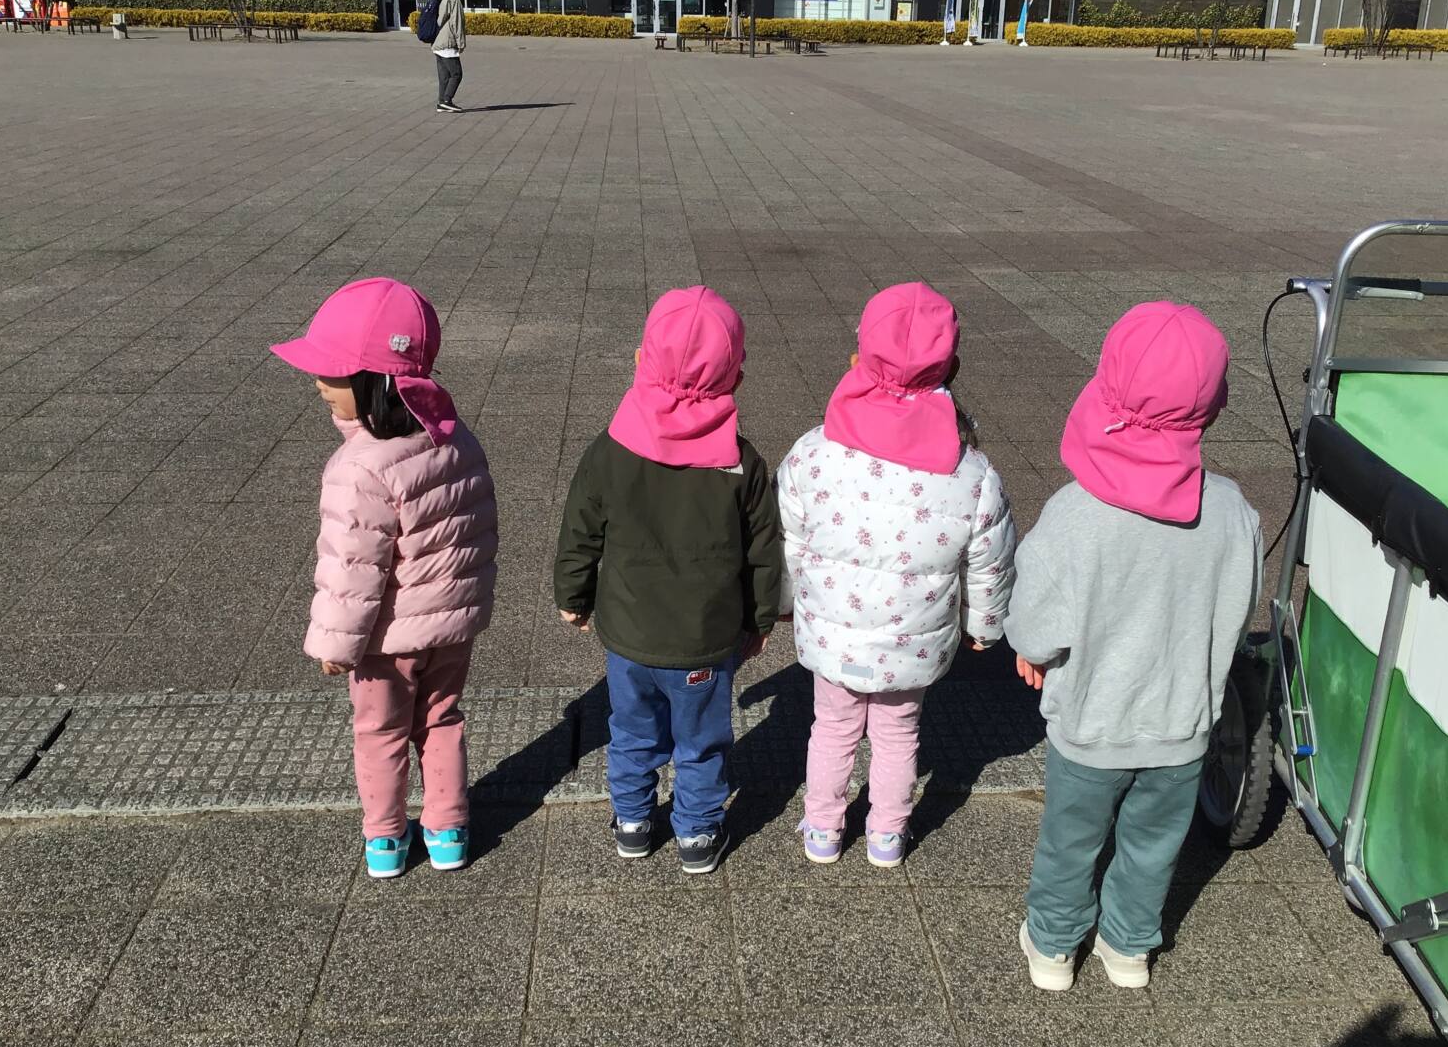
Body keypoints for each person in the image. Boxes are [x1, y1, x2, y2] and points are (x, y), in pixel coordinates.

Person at [1008, 301, 1261, 991]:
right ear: (1212, 407)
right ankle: (1128, 947)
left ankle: (1053, 946)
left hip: (1091, 727)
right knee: (1153, 847)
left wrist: (1032, 649)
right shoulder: (1234, 512)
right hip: (1181, 729)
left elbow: (1034, 624)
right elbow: (1236, 610)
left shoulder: (1075, 514)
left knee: (1070, 842)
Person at [778, 282, 1016, 868]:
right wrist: (983, 626)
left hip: (834, 633)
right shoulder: (972, 472)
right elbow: (988, 561)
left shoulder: (814, 451)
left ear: (859, 355)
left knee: (832, 726)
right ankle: (887, 834)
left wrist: (785, 602)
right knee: (898, 732)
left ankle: (823, 827)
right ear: (951, 367)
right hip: (912, 641)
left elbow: (791, 540)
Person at [270, 278, 498, 879]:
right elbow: (477, 526)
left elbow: (353, 567)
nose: (317, 384)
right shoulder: (453, 437)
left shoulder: (359, 466)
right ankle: (448, 831)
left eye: (331, 373)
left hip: (386, 639)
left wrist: (335, 644)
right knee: (442, 719)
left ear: (376, 381)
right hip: (452, 625)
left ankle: (386, 840)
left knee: (380, 731)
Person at [554, 286, 782, 875]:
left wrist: (573, 597)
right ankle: (698, 834)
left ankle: (632, 821)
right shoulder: (742, 463)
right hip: (706, 640)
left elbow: (581, 531)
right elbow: (764, 552)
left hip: (628, 636)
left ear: (639, 359)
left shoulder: (610, 450)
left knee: (631, 730)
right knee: (701, 740)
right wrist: (759, 619)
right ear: (736, 376)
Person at [432, 0, 467, 113]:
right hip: (447, 42)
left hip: (437, 42)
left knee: (444, 76)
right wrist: (461, 43)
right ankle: (447, 100)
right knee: (457, 73)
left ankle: (442, 102)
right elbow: (457, 22)